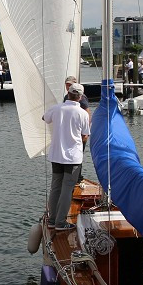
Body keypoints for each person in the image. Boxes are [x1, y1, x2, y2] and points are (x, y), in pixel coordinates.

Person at [42, 83, 90, 231]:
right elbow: (85, 135)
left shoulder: (56, 108)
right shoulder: (82, 113)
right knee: (67, 190)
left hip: (56, 155)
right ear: (80, 97)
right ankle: (60, 223)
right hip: (72, 157)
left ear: (68, 94)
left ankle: (51, 220)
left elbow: (45, 118)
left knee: (55, 187)